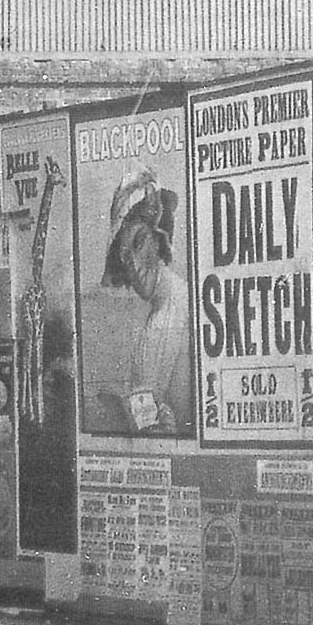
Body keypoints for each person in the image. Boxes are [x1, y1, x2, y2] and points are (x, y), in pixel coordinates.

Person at [100, 166, 191, 434]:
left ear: (158, 236)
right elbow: (148, 418)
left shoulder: (180, 302)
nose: (135, 266)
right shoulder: (155, 320)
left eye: (139, 243)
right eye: (125, 257)